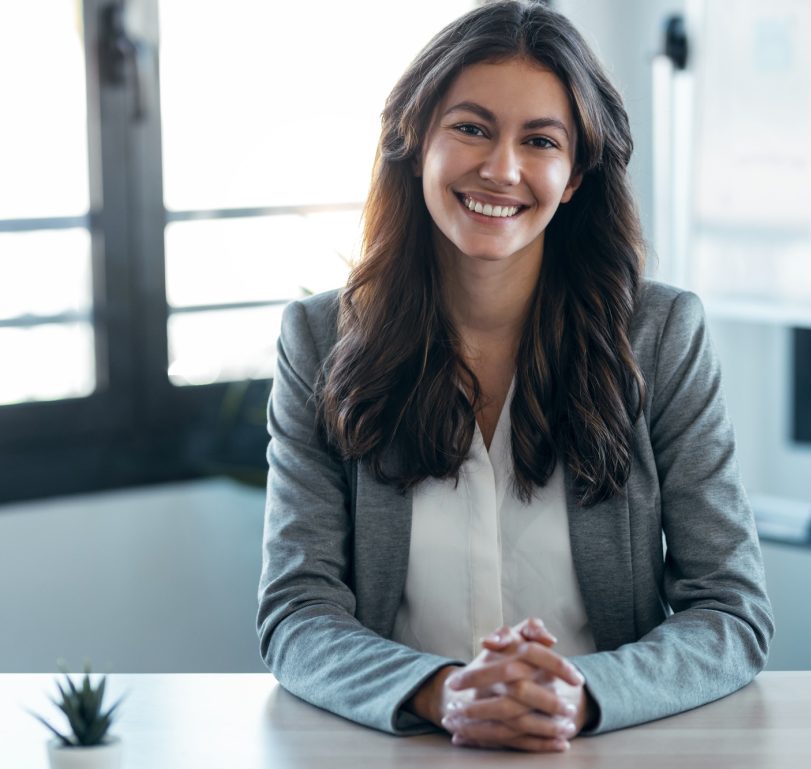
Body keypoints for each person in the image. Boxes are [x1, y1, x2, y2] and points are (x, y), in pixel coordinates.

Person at [257, 0, 773, 753]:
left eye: (539, 140)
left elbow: (730, 609)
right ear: (415, 140)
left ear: (573, 178)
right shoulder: (319, 338)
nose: (501, 168)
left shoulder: (660, 336)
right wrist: (444, 693)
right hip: (405, 745)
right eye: (471, 127)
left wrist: (583, 696)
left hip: (602, 745)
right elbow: (298, 611)